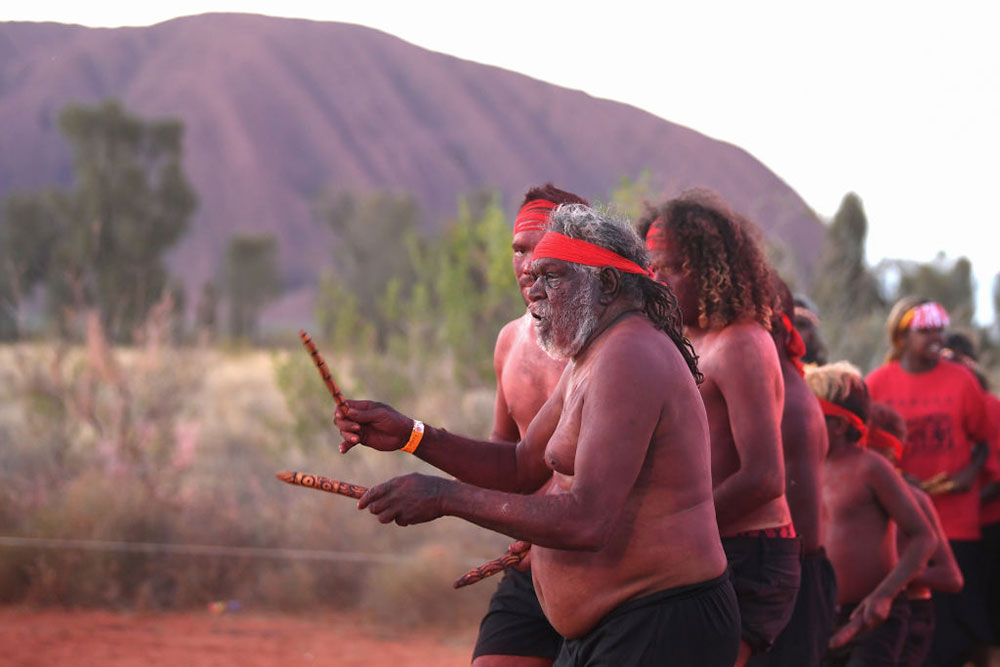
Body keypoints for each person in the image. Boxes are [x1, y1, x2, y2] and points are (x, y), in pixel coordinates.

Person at [334, 204, 740, 666]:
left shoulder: (630, 357)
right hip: (619, 629)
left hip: (661, 627)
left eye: (551, 277)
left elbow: (588, 520)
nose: (534, 293)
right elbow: (520, 466)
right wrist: (410, 434)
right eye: (531, 276)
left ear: (606, 284)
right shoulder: (594, 354)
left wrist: (445, 498)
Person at [639, 188, 800, 665]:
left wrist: (677, 528)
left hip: (750, 551)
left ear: (709, 269)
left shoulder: (742, 344)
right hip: (704, 540)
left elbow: (765, 478)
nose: (656, 279)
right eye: (650, 266)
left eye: (670, 267)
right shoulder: (684, 340)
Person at [475, 184, 588, 667]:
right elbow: (506, 450)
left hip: (603, 569)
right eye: (519, 249)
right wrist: (411, 438)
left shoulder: (608, 344)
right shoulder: (508, 341)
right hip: (529, 566)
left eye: (541, 248)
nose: (527, 264)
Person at [867, 298, 995, 667]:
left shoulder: (962, 380)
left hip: (957, 522)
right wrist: (896, 478)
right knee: (910, 624)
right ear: (902, 336)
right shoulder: (878, 382)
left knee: (956, 626)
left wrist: (968, 476)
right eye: (926, 331)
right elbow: (865, 448)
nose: (936, 337)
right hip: (902, 523)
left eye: (940, 329)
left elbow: (983, 442)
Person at [803, 362, 935, 666]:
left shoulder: (872, 468)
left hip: (874, 617)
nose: (805, 420)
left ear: (839, 425)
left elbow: (923, 537)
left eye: (814, 414)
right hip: (823, 618)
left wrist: (884, 595)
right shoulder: (808, 469)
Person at [747, 279, 835, 667]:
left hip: (792, 568)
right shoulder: (782, 382)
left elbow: (762, 480)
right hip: (794, 567)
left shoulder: (783, 391)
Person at [867, 401, 964, 667]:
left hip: (910, 614)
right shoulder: (848, 491)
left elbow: (951, 578)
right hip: (863, 613)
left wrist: (893, 577)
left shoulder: (913, 499)